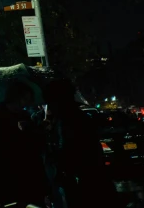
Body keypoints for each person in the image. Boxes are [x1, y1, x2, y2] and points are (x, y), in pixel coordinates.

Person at [43, 79, 117, 207]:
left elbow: (73, 154)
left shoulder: (70, 122)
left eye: (51, 102)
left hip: (84, 184)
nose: (50, 107)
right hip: (87, 182)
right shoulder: (73, 119)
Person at [0, 80, 47, 208]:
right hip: (9, 175)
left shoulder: (25, 115)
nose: (28, 102)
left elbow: (33, 144)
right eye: (26, 98)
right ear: (16, 97)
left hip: (29, 174)